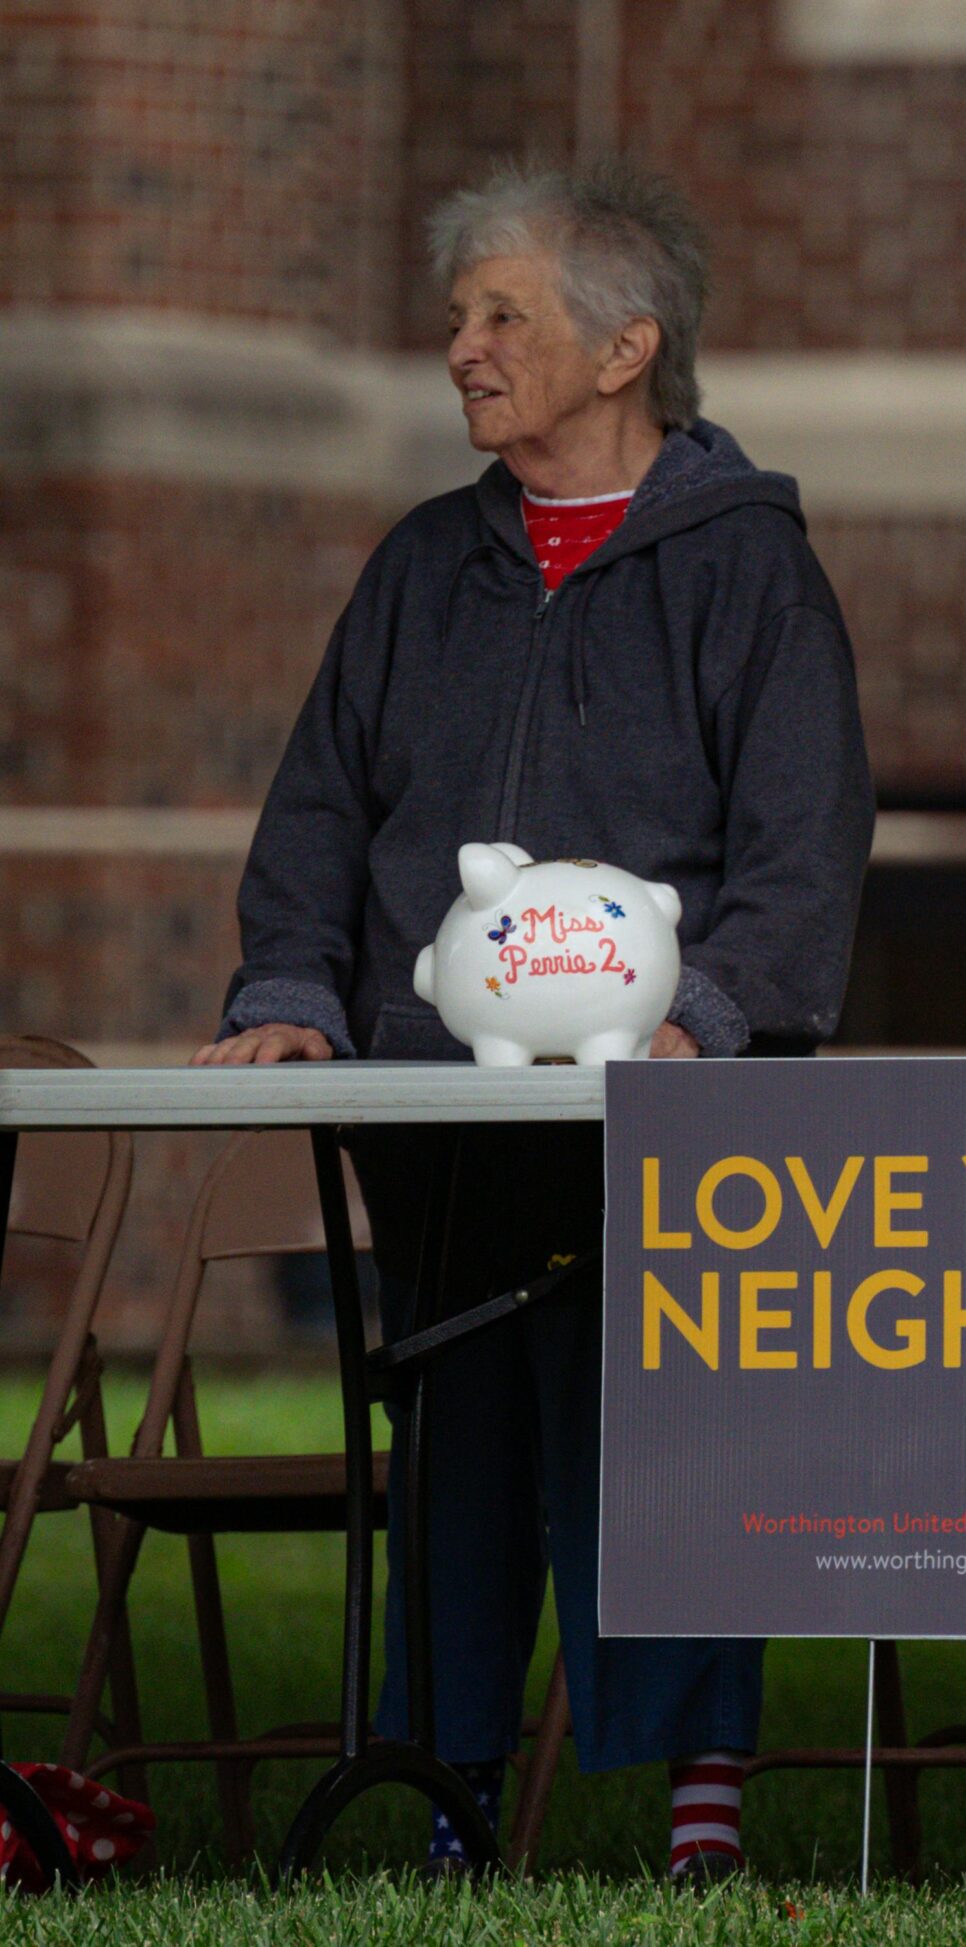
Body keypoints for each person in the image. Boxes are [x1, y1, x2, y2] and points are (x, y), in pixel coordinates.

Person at [196, 157, 873, 1881]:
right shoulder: (425, 568)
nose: (462, 350)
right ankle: (449, 1796)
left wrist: (707, 1018)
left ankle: (700, 1805)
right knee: (464, 1448)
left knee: (678, 1434)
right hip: (440, 1107)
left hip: (667, 1122)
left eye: (504, 315)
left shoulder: (750, 575)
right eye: (458, 318)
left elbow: (804, 851)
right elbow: (320, 816)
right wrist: (289, 995)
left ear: (625, 346)